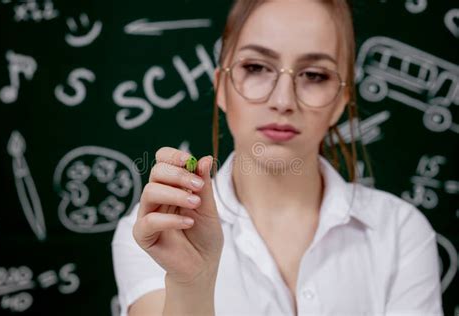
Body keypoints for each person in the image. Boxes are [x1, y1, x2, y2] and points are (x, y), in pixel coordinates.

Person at [111, 0, 444, 315]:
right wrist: (191, 282)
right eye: (256, 67)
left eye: (314, 75)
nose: (283, 100)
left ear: (342, 99)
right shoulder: (159, 232)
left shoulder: (399, 231)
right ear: (222, 87)